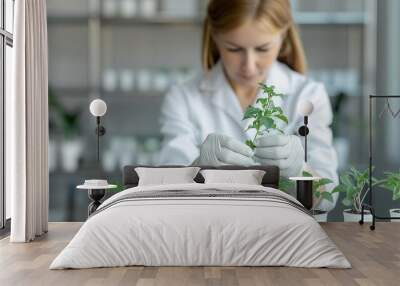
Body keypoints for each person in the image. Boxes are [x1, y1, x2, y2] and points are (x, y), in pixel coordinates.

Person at [157, 0, 338, 212]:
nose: (249, 66)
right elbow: (163, 195)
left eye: (263, 48)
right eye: (234, 49)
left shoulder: (308, 95)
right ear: (215, 37)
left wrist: (301, 171)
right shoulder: (184, 97)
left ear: (283, 35)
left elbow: (326, 201)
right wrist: (196, 168)